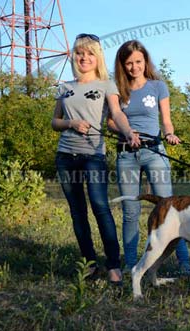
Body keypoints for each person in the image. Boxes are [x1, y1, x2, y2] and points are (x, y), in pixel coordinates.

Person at [51, 33, 139, 285]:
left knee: (100, 207)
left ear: (97, 57)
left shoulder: (105, 85)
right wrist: (71, 122)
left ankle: (113, 265)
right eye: (80, 53)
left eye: (90, 53)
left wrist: (128, 132)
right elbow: (55, 121)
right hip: (65, 157)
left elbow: (117, 114)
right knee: (77, 212)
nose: (84, 58)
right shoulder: (65, 87)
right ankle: (89, 263)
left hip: (93, 157)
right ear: (74, 57)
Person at [108, 39, 190, 275]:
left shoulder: (157, 87)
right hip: (126, 155)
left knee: (169, 209)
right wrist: (126, 131)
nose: (134, 67)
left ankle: (184, 263)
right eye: (129, 63)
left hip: (154, 152)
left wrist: (170, 134)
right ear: (122, 65)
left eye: (138, 62)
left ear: (145, 61)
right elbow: (111, 121)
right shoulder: (116, 89)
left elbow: (166, 119)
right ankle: (131, 263)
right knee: (131, 211)